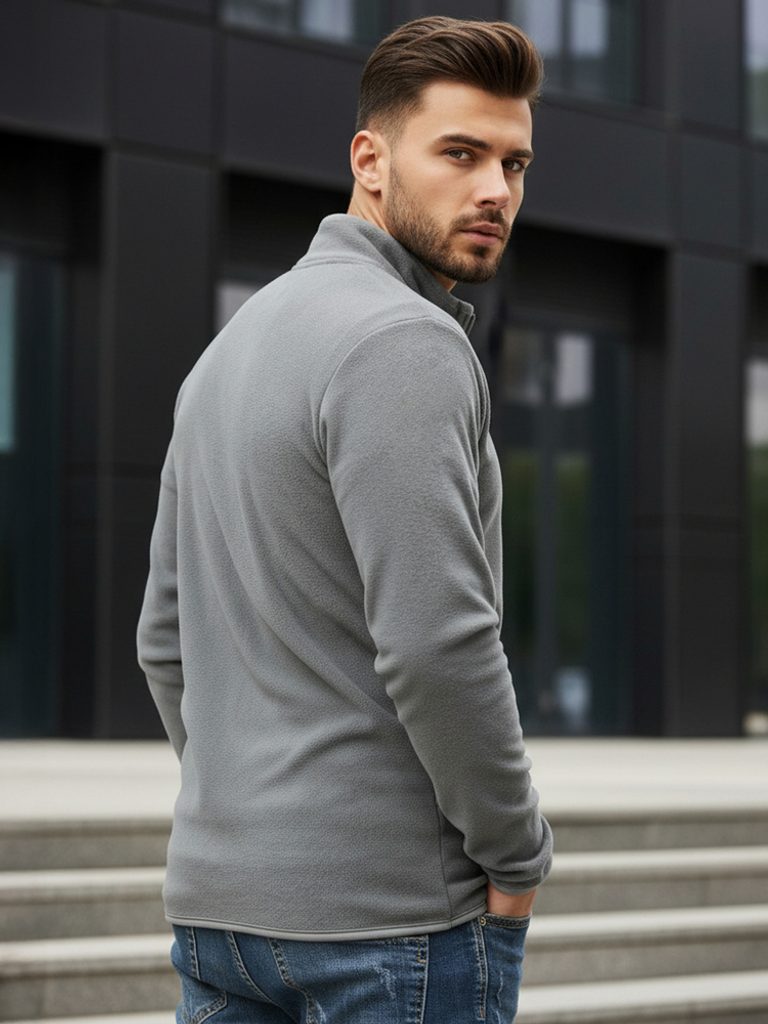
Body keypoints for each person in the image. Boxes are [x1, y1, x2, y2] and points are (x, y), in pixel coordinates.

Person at [137, 15, 553, 1024]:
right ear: (370, 160)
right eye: (460, 153)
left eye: (514, 163)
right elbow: (438, 641)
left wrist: (258, 823)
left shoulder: (228, 350)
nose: (495, 190)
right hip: (390, 924)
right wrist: (516, 854)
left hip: (221, 914)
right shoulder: (405, 341)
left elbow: (163, 641)